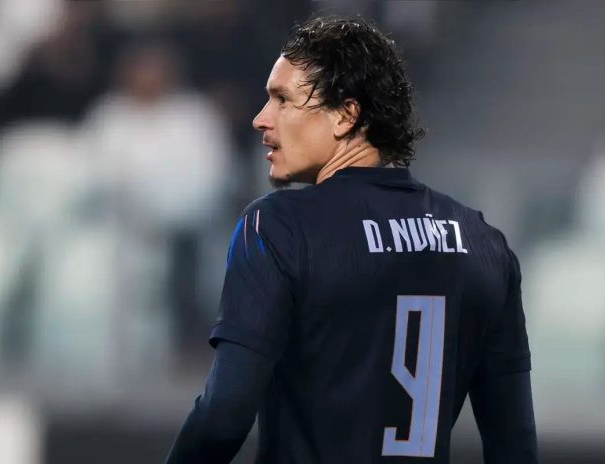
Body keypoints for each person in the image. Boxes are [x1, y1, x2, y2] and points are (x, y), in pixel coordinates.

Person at [165, 15, 537, 464]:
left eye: (282, 99)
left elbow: (223, 416)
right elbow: (515, 445)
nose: (261, 119)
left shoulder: (278, 227)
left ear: (345, 114)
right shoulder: (484, 244)